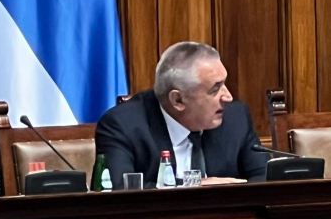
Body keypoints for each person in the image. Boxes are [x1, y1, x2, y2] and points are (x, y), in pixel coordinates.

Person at [96, 41, 267, 189]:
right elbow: (119, 190)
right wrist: (193, 187)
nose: (228, 97)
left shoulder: (236, 117)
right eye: (215, 89)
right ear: (178, 100)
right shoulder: (123, 126)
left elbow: (265, 177)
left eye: (224, 84)